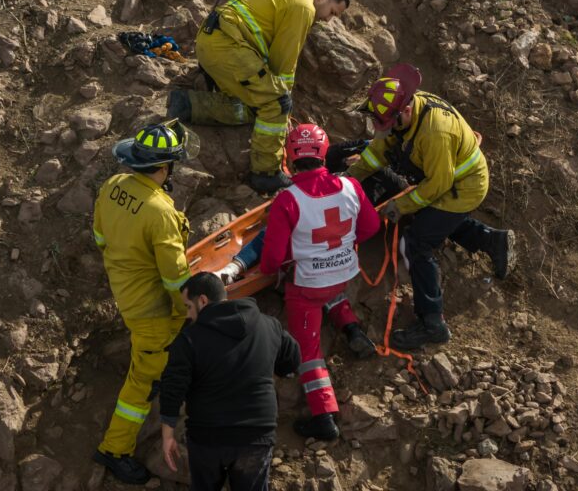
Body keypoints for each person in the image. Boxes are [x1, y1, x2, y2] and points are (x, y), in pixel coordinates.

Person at [215, 123, 381, 440]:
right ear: (324, 153)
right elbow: (371, 227)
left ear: (291, 158)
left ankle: (324, 416)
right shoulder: (350, 186)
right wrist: (342, 245)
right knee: (328, 286)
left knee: (308, 350)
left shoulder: (287, 201)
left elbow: (272, 261)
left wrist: (290, 257)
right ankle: (351, 327)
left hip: (309, 288)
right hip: (344, 272)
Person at [348, 63, 517, 351]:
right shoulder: (401, 109)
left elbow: (437, 186)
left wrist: (399, 207)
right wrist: (346, 181)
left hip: (463, 187)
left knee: (417, 242)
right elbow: (379, 152)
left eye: (389, 123)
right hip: (445, 180)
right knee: (433, 218)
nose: (385, 128)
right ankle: (493, 241)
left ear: (406, 110)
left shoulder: (435, 132)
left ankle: (432, 322)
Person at [167, 0, 351, 194]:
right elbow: (283, 64)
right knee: (276, 104)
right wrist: (283, 106)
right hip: (228, 48)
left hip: (215, 44)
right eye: (332, 13)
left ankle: (189, 105)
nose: (328, 20)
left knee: (256, 105)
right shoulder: (303, 7)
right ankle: (266, 174)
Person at [91, 120, 198, 484]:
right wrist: (192, 308)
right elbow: (175, 280)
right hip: (151, 312)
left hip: (125, 291)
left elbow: (101, 238)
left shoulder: (113, 186)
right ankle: (114, 449)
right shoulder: (160, 211)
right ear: (165, 167)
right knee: (140, 382)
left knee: (156, 358)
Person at [159, 272, 301, 491]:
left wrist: (167, 434)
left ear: (203, 300)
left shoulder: (189, 337)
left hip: (208, 436)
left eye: (188, 306)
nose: (188, 314)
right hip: (256, 436)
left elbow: (173, 385)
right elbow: (293, 358)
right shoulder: (268, 325)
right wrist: (274, 367)